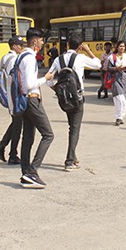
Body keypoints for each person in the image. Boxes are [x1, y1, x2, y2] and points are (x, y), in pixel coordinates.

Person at [46, 33, 101, 171]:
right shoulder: (81, 58)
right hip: (77, 98)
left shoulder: (58, 60)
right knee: (74, 129)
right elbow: (98, 64)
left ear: (68, 44)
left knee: (72, 127)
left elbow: (49, 79)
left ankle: (73, 156)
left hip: (64, 99)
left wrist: (58, 91)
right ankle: (69, 161)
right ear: (80, 46)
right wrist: (88, 50)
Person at [18, 28, 55, 188]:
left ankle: (26, 173)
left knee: (28, 138)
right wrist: (45, 79)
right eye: (41, 41)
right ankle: (32, 171)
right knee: (48, 134)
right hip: (31, 100)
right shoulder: (29, 59)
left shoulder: (21, 57)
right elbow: (29, 84)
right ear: (34, 41)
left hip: (25, 101)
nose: (42, 43)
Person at [0, 35, 27, 165]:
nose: (22, 47)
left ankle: (3, 146)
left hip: (9, 95)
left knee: (16, 123)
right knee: (18, 124)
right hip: (14, 96)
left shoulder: (5, 57)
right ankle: (12, 154)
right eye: (20, 45)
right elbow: (15, 79)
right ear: (14, 46)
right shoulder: (14, 59)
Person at [107, 40, 126, 126]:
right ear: (117, 47)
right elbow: (108, 68)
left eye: (123, 46)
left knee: (124, 100)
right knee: (119, 98)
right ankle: (118, 117)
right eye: (120, 46)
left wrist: (125, 68)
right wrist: (116, 69)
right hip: (116, 79)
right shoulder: (112, 57)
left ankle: (121, 117)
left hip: (125, 80)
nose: (122, 48)